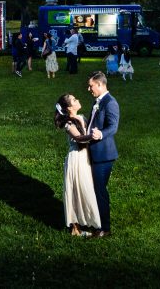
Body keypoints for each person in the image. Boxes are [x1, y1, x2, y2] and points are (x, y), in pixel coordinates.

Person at [54, 94, 101, 236]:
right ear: (69, 107)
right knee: (79, 191)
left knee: (87, 190)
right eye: (74, 100)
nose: (78, 100)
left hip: (86, 157)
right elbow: (79, 138)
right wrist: (94, 136)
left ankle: (88, 222)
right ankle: (75, 228)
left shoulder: (82, 117)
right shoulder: (69, 124)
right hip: (77, 159)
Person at [86, 71, 119, 237]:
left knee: (100, 190)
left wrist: (101, 134)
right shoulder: (97, 101)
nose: (88, 88)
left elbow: (113, 126)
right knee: (96, 189)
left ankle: (104, 228)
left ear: (100, 84)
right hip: (95, 152)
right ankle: (96, 222)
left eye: (91, 85)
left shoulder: (110, 102)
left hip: (104, 155)